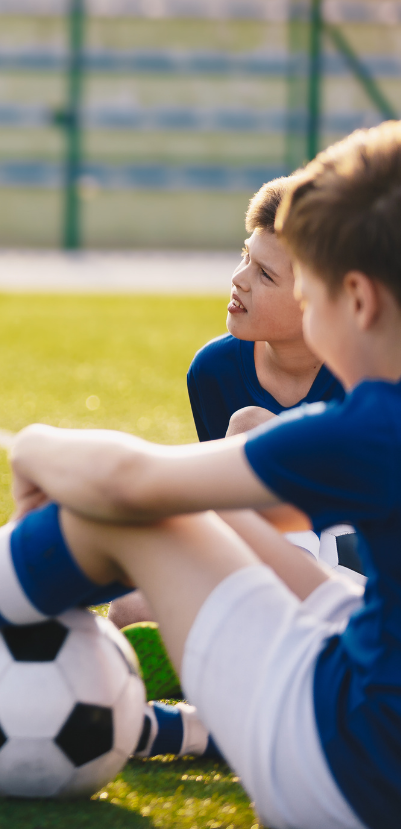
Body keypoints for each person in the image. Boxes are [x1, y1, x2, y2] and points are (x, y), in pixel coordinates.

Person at [0, 120, 401, 829]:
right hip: (368, 666)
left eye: (314, 295)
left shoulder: (377, 421)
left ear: (359, 300)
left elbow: (128, 484)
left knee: (137, 515)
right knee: (225, 510)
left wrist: (35, 447)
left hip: (357, 773)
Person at [109, 176, 352, 630]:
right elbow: (228, 512)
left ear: (318, 301)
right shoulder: (214, 370)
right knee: (129, 611)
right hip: (259, 565)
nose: (238, 279)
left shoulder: (371, 377)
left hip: (355, 579)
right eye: (245, 256)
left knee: (251, 425)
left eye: (265, 274)